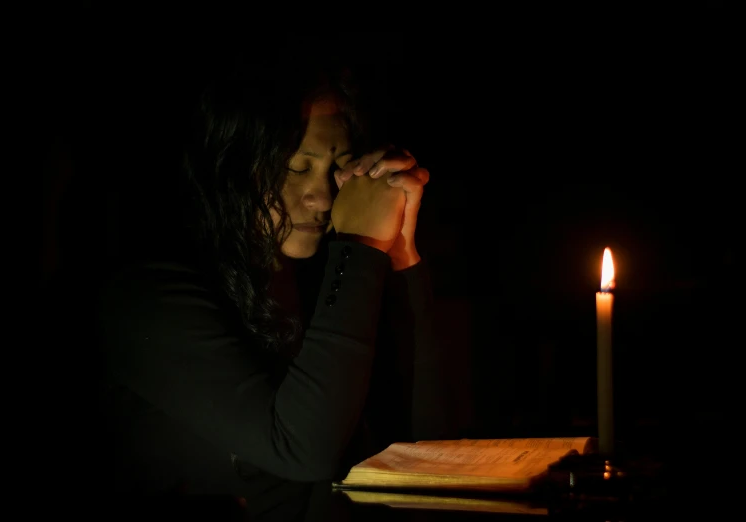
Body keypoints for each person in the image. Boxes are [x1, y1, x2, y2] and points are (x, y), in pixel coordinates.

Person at [49, 45, 456, 519]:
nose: (322, 198)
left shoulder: (320, 281)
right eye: (295, 168)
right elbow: (303, 448)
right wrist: (361, 247)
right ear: (231, 165)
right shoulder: (148, 298)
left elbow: (431, 449)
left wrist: (401, 258)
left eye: (337, 169)